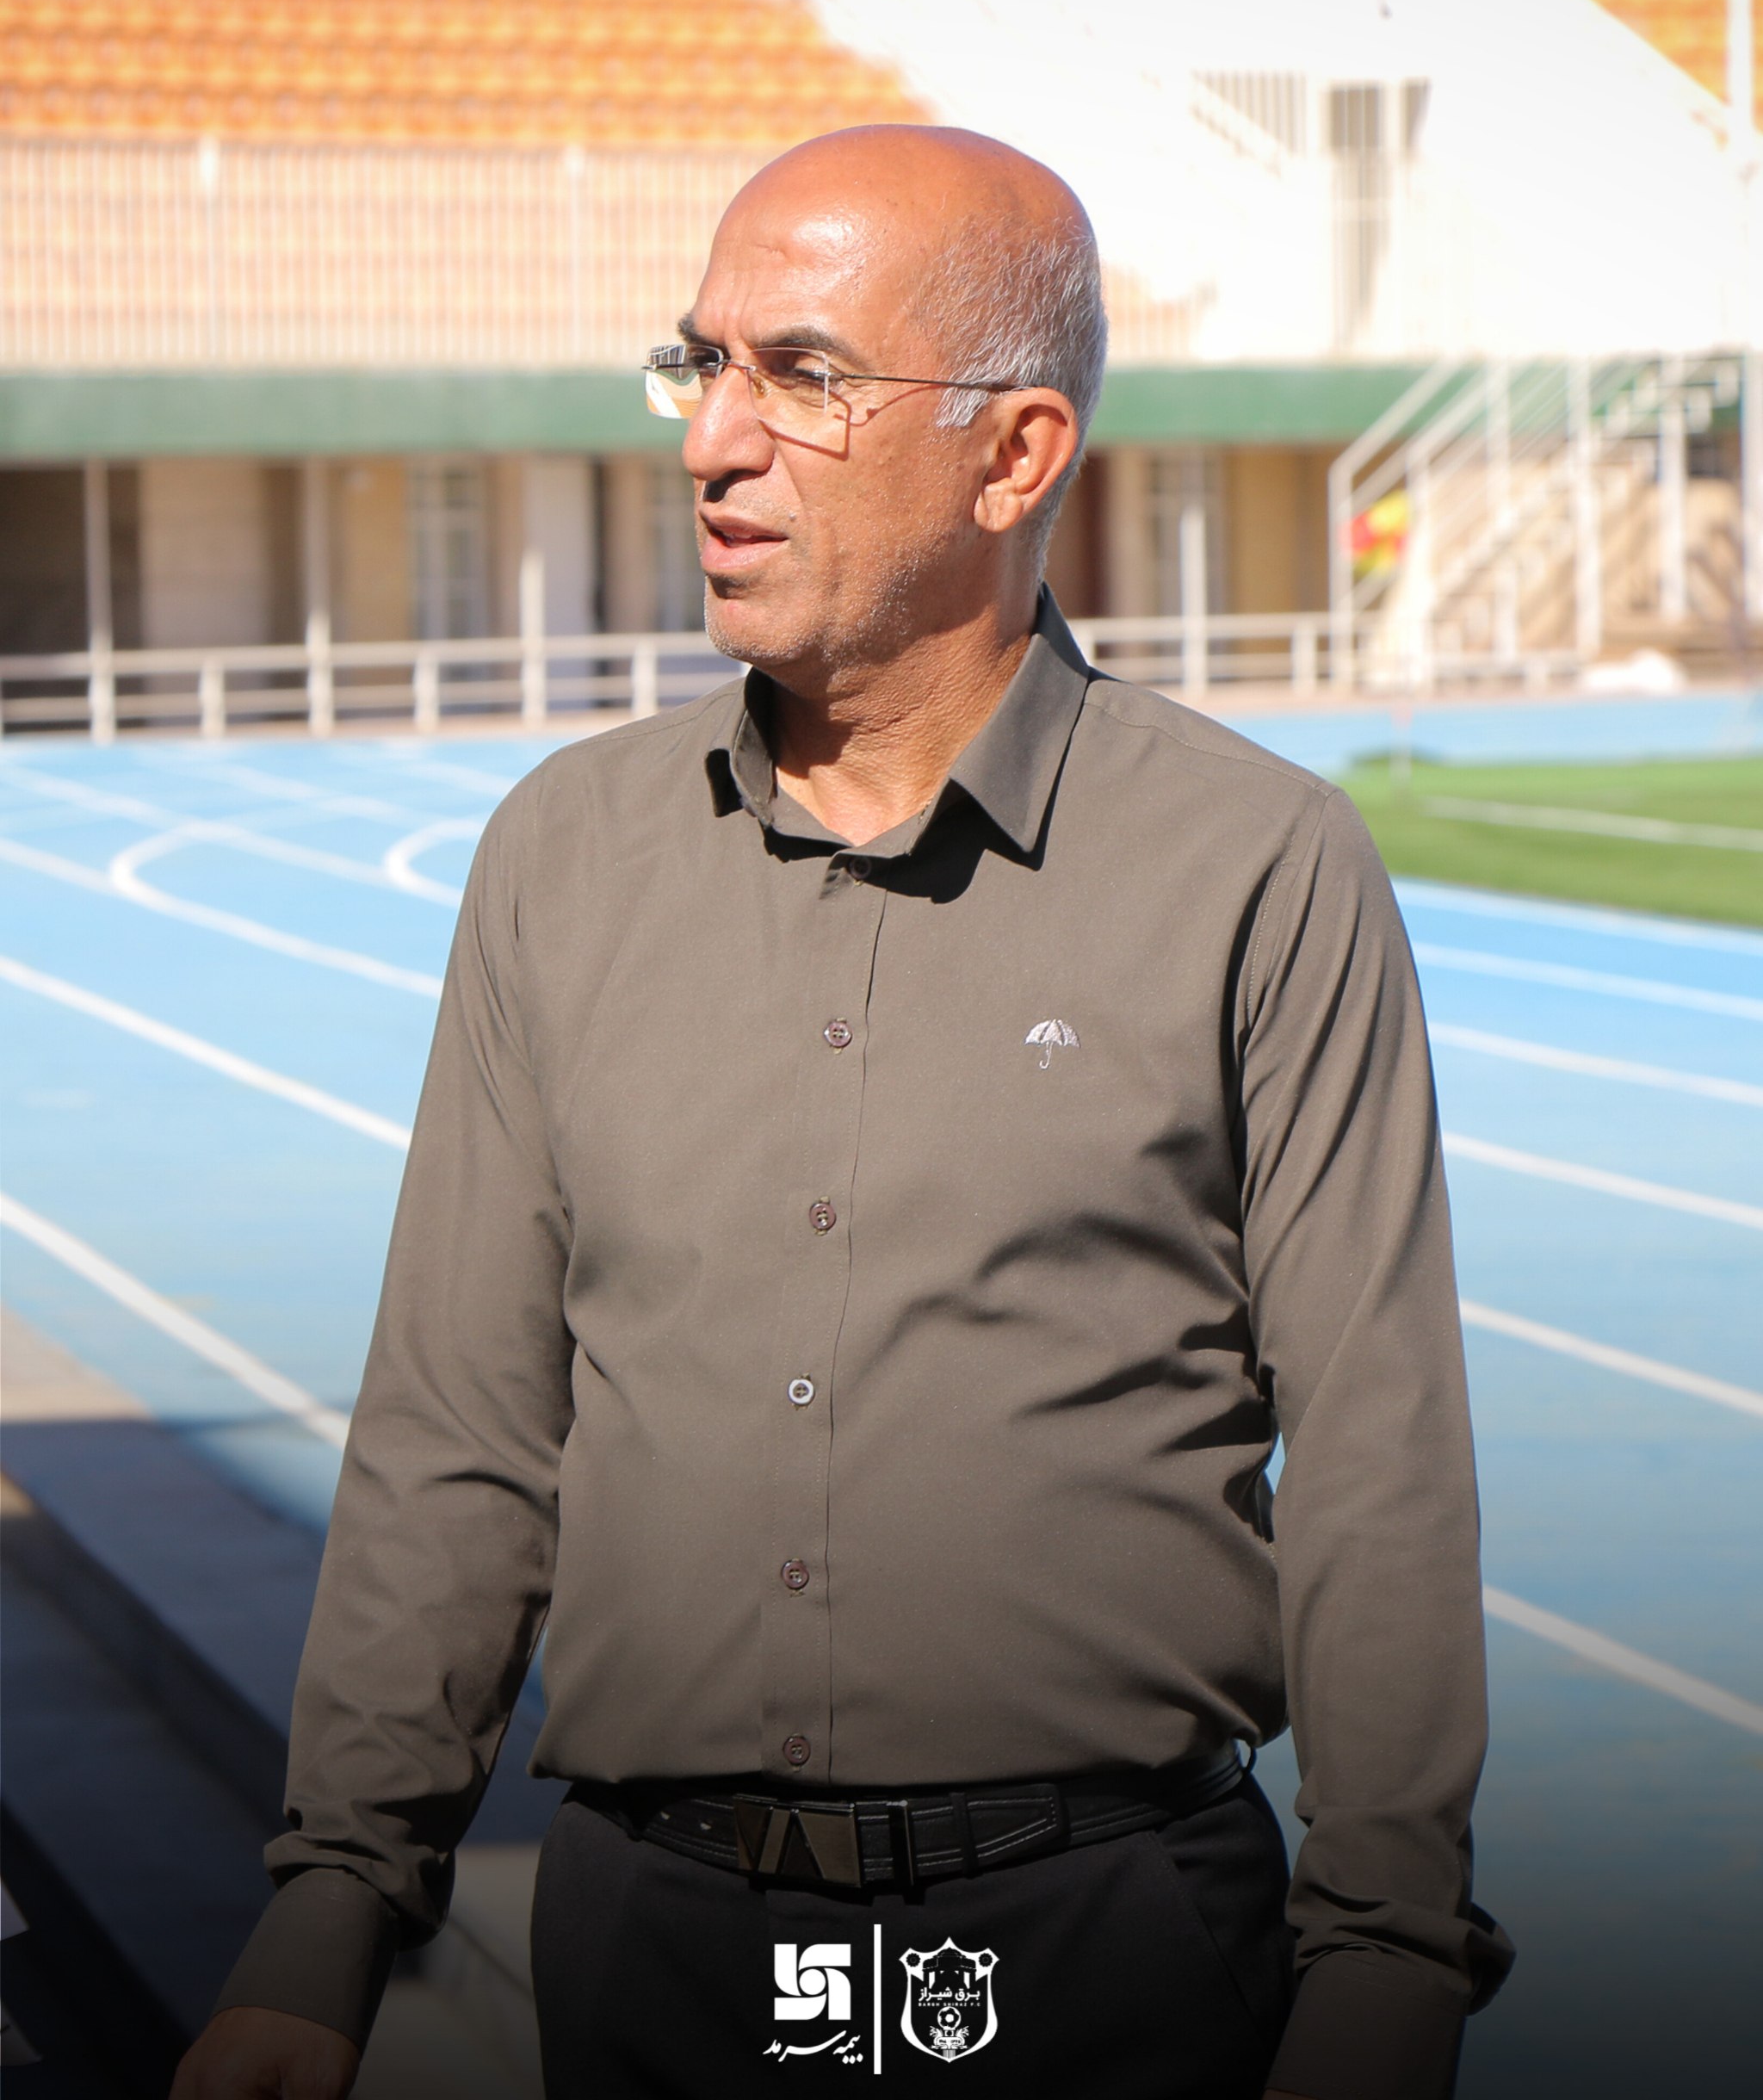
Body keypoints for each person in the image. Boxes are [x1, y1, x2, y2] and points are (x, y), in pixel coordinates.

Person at [172, 125, 1510, 2100]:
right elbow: (459, 1429)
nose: (714, 442)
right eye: (699, 365)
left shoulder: (1259, 866)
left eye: (802, 375)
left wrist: (1384, 1968)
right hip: (651, 1955)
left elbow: (1379, 1460)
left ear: (1013, 453)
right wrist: (328, 1915)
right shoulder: (562, 856)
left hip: (1118, 1957)